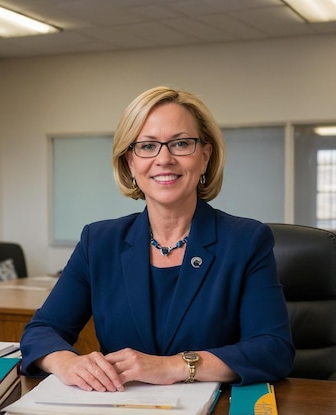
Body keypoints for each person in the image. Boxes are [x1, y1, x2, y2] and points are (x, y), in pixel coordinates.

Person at [20, 86, 295, 392]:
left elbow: (273, 349)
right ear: (130, 163)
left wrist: (172, 366)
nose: (164, 159)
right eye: (147, 146)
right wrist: (66, 362)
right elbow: (42, 330)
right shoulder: (98, 242)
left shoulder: (246, 241)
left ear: (205, 156)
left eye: (180, 143)